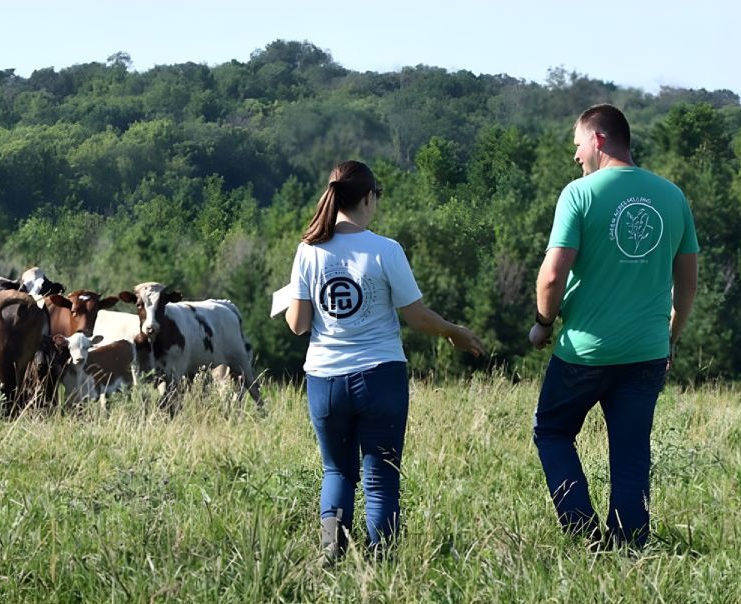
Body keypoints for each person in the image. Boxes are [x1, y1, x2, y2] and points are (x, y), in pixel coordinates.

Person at [285, 160, 485, 562]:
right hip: (381, 377)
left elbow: (298, 324)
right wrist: (455, 332)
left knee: (338, 471)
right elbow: (417, 316)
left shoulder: (308, 250)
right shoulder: (385, 250)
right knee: (380, 480)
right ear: (367, 197)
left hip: (325, 379)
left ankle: (330, 555)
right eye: (378, 196)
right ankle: (381, 563)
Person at [530, 104, 699, 548]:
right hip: (646, 351)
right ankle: (630, 548)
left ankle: (584, 533)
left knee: (552, 430)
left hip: (584, 352)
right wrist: (670, 337)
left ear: (598, 140)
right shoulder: (672, 196)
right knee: (631, 452)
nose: (575, 156)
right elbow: (688, 284)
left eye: (577, 144)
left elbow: (551, 275)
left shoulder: (579, 194)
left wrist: (542, 323)